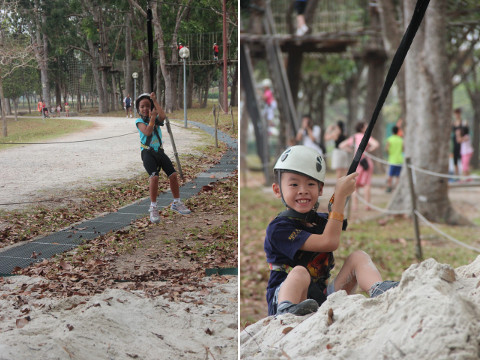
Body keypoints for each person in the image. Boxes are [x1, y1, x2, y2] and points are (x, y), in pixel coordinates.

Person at [265, 145, 398, 316]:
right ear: (277, 190)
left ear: (320, 189)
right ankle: (286, 310)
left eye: (310, 183)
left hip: (320, 300)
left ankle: (380, 291)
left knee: (358, 257)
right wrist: (340, 198)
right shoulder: (278, 229)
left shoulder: (319, 220)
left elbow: (334, 226)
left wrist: (338, 200)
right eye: (294, 184)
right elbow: (329, 242)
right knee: (300, 272)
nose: (303, 190)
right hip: (287, 299)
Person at [135, 92, 191, 223]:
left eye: (148, 106)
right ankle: (153, 207)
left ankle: (176, 203)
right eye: (142, 106)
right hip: (147, 153)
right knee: (154, 177)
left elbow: (163, 116)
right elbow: (148, 132)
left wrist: (155, 101)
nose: (145, 109)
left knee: (173, 175)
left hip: (159, 151)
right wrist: (152, 118)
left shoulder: (155, 117)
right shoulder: (139, 122)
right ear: (138, 109)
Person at [339, 121, 379, 211]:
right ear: (362, 128)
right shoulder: (366, 136)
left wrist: (351, 150)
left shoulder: (354, 137)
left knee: (355, 186)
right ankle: (367, 206)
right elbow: (376, 144)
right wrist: (368, 150)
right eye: (366, 126)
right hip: (366, 162)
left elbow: (341, 145)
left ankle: (355, 206)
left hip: (356, 163)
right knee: (367, 184)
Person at [386, 125, 404, 192]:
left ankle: (389, 187)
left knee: (390, 175)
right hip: (399, 160)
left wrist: (390, 153)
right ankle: (396, 189)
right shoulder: (401, 139)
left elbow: (387, 149)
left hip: (392, 160)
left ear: (392, 131)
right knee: (397, 176)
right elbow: (402, 149)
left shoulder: (390, 139)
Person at [452, 108, 463, 176]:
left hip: (461, 144)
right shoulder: (453, 123)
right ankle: (456, 174)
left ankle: (463, 174)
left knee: (462, 159)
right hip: (455, 143)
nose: (457, 115)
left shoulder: (463, 123)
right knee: (455, 159)